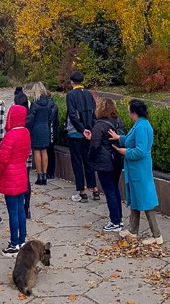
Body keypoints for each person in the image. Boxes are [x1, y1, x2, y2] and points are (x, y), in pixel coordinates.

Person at [111, 99, 162, 244]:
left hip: (139, 169)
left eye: (129, 112)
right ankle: (133, 230)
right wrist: (119, 138)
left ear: (134, 113)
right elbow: (132, 140)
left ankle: (156, 235)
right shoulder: (140, 124)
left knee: (145, 201)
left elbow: (140, 151)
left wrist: (125, 152)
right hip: (136, 169)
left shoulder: (141, 127)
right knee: (136, 198)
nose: (128, 114)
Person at [84, 98, 126, 231]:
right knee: (115, 189)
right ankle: (119, 218)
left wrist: (90, 158)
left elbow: (95, 146)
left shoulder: (99, 125)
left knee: (109, 191)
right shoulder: (118, 121)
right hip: (117, 159)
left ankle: (114, 221)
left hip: (104, 162)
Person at [0, 103, 31, 254]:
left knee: (12, 212)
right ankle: (22, 240)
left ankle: (14, 243)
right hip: (21, 173)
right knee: (21, 209)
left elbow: (2, 159)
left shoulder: (9, 136)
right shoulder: (26, 132)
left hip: (10, 176)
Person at [65, 71, 98, 202]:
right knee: (88, 160)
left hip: (76, 133)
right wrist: (89, 128)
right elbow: (94, 113)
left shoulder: (70, 95)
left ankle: (82, 191)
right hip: (88, 133)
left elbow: (72, 115)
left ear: (72, 81)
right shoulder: (89, 94)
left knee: (77, 162)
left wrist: (81, 128)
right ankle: (94, 188)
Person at [27, 83, 56, 185]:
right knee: (44, 151)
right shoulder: (49, 103)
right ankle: (45, 175)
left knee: (36, 152)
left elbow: (31, 118)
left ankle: (39, 176)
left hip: (36, 128)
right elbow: (50, 117)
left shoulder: (34, 104)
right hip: (45, 128)